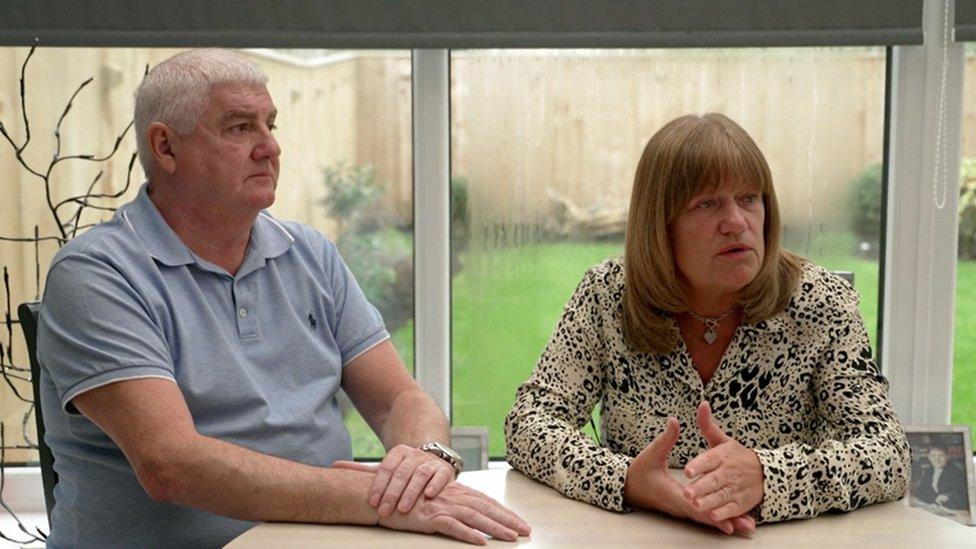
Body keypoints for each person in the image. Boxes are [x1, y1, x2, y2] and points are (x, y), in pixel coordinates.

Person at [36, 49, 529, 548]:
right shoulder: (96, 275)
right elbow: (171, 464)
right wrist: (376, 502)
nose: (269, 147)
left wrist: (424, 457)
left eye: (270, 125)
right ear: (165, 148)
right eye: (239, 128)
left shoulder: (310, 253)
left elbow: (397, 398)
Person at [504, 113, 910, 534]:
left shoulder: (819, 302)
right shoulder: (608, 294)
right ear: (661, 225)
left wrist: (767, 476)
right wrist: (626, 481)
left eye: (750, 198)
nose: (736, 221)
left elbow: (888, 452)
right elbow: (528, 422)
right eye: (707, 203)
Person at [912, 446, 970, 511]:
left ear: (948, 457)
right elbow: (919, 491)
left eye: (941, 455)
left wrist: (944, 498)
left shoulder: (955, 473)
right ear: (928, 457)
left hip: (954, 510)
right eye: (933, 456)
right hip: (937, 507)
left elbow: (961, 499)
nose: (937, 459)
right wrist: (935, 498)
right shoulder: (929, 470)